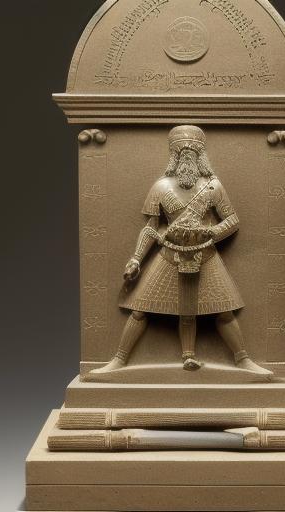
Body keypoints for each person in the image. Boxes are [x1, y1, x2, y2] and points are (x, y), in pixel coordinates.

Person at [91, 125, 271, 376]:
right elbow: (151, 227)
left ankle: (243, 360)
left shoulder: (213, 186)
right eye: (182, 153)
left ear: (201, 157)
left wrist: (211, 232)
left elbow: (232, 220)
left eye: (192, 153)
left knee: (225, 312)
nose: (187, 157)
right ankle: (119, 360)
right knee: (139, 310)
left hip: (205, 254)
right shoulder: (161, 186)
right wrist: (136, 259)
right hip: (169, 254)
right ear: (173, 157)